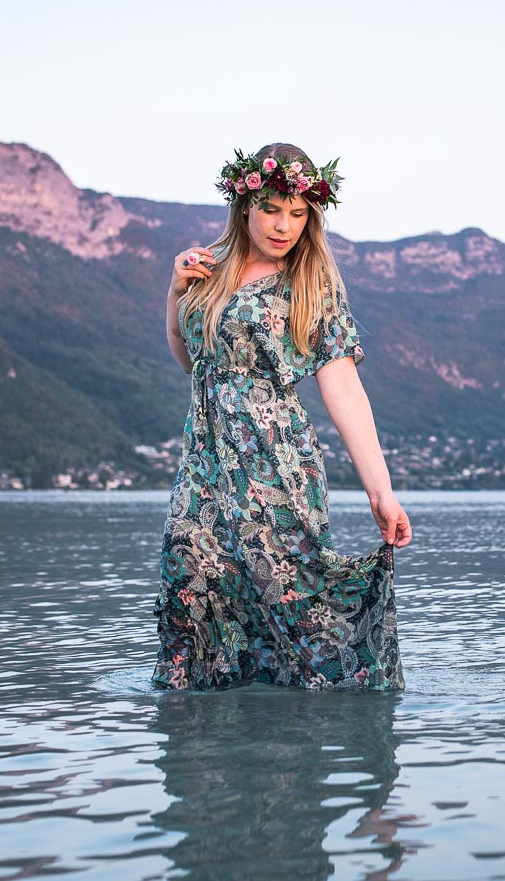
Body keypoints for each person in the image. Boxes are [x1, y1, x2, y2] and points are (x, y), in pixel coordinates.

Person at [152, 142, 410, 692]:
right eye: (272, 209)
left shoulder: (310, 286)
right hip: (204, 465)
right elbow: (192, 360)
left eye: (297, 213)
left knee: (288, 595)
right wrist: (176, 295)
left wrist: (380, 492)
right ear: (244, 205)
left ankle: (290, 754)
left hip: (277, 466)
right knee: (189, 584)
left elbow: (342, 386)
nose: (284, 225)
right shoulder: (210, 272)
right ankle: (200, 749)